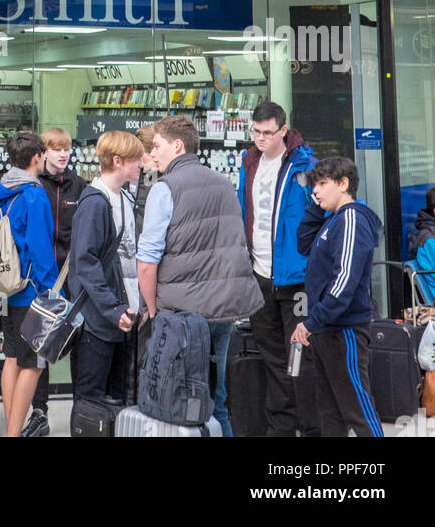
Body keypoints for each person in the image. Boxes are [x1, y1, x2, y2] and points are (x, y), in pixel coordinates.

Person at [137, 115, 263, 436]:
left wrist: (152, 312)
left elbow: (147, 261)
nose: (153, 152)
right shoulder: (223, 183)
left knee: (173, 398)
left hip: (180, 316)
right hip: (222, 311)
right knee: (214, 397)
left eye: (158, 145)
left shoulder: (165, 188)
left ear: (177, 145)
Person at [237, 100, 318, 437]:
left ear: (283, 130)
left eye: (267, 133)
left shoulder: (304, 166)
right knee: (271, 357)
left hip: (296, 276)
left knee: (301, 356)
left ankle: (311, 428)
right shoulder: (248, 162)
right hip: (259, 274)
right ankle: (280, 429)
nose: (260, 138)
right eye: (255, 132)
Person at [291, 156, 383, 438]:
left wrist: (312, 320)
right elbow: (304, 243)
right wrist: (317, 210)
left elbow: (344, 280)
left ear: (343, 184)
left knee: (357, 408)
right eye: (314, 185)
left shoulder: (352, 218)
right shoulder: (333, 219)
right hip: (326, 329)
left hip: (344, 330)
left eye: (322, 184)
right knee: (330, 411)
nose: (315, 191)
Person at [0, 132, 58, 439]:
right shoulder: (34, 195)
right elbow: (42, 249)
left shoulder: (0, 193)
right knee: (34, 365)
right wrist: (52, 292)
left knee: (12, 360)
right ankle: (13, 433)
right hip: (31, 292)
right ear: (36, 158)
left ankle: (10, 429)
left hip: (6, 288)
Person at [68, 130, 145, 407]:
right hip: (98, 320)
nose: (141, 164)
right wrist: (113, 308)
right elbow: (85, 262)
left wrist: (138, 304)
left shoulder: (123, 199)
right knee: (91, 400)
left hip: (121, 315)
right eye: (135, 159)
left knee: (116, 400)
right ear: (117, 161)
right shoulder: (94, 203)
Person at [23, 126, 88, 438]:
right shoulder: (34, 186)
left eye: (67, 149)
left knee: (79, 343)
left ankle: (81, 410)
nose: (63, 154)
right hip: (42, 279)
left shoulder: (80, 186)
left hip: (74, 277)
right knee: (42, 347)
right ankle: (40, 412)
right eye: (57, 149)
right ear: (43, 153)